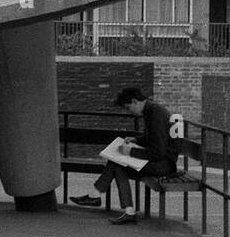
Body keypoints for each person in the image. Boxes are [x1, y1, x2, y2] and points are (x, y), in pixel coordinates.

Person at [71, 86, 179, 225]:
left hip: (164, 165)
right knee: (117, 163)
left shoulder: (155, 114)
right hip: (161, 161)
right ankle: (122, 209)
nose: (130, 111)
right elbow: (151, 139)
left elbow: (158, 152)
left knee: (117, 163)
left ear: (135, 101)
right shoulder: (151, 111)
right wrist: (136, 140)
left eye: (128, 107)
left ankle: (100, 197)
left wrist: (131, 152)